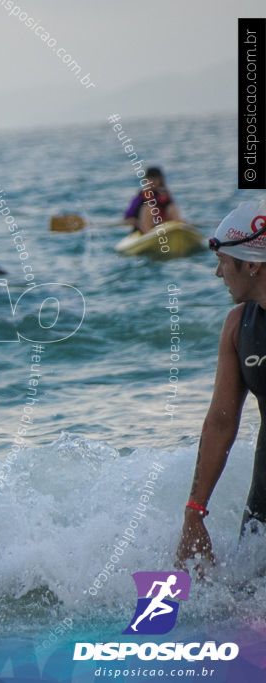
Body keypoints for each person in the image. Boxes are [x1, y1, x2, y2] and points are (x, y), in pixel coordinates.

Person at [176, 200, 266, 574]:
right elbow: (221, 422)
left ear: (251, 264)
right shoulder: (237, 326)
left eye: (224, 263)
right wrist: (194, 514)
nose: (217, 273)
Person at [123, 167, 182, 235]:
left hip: (163, 227)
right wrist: (132, 221)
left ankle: (176, 233)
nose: (152, 182)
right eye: (150, 179)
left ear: (160, 180)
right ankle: (149, 235)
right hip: (144, 229)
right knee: (149, 208)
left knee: (172, 208)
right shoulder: (140, 198)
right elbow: (127, 219)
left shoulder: (166, 196)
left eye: (155, 179)